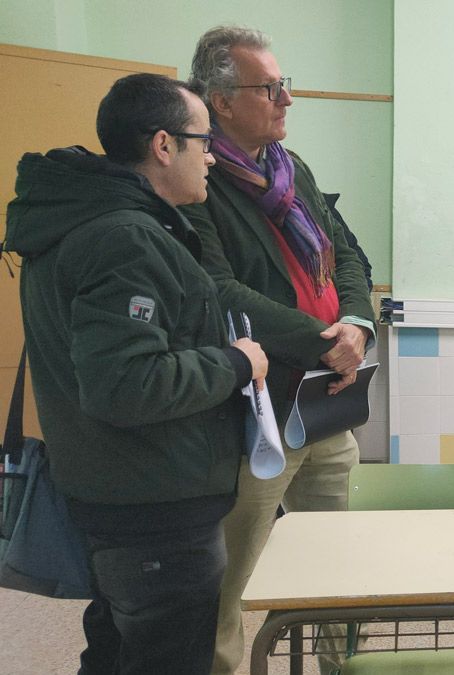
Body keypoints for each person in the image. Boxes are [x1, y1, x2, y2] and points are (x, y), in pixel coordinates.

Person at [5, 73, 268, 674]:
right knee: (166, 654)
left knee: (120, 648)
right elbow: (126, 385)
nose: (213, 156)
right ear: (163, 145)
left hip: (119, 493)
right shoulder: (125, 237)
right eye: (204, 140)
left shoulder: (86, 219)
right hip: (155, 506)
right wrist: (235, 362)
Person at [181, 25, 375, 674]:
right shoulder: (197, 178)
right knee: (226, 587)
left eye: (283, 84)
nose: (286, 99)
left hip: (326, 405)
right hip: (255, 415)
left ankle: (338, 664)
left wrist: (356, 325)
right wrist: (327, 342)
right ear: (222, 101)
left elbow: (347, 253)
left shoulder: (294, 171)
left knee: (338, 571)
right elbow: (218, 288)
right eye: (271, 88)